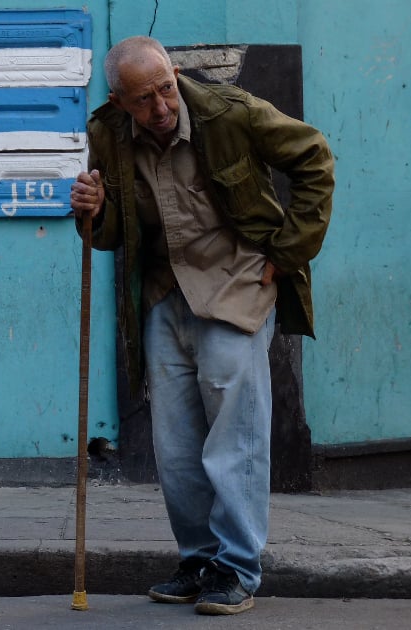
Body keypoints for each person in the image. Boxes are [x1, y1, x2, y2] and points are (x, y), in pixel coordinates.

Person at [70, 36, 334, 615]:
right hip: (165, 293)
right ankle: (198, 559)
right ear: (119, 102)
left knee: (234, 434)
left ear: (176, 73)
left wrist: (287, 254)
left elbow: (314, 157)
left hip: (237, 284)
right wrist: (89, 208)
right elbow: (111, 234)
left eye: (165, 89)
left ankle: (237, 567)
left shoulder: (229, 112)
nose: (160, 108)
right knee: (177, 444)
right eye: (142, 100)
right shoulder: (106, 134)